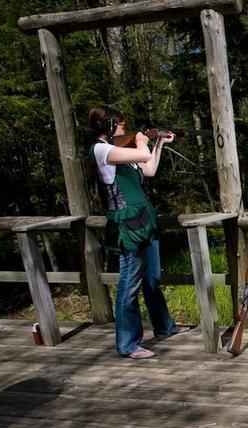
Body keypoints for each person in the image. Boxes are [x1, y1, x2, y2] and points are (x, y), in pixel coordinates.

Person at [86, 107, 189, 359]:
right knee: (129, 284)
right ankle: (128, 344)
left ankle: (164, 326)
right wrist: (143, 139)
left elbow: (149, 168)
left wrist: (159, 143)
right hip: (128, 226)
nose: (124, 128)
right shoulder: (101, 150)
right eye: (121, 124)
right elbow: (141, 152)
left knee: (152, 278)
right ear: (110, 126)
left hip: (143, 222)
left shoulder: (120, 152)